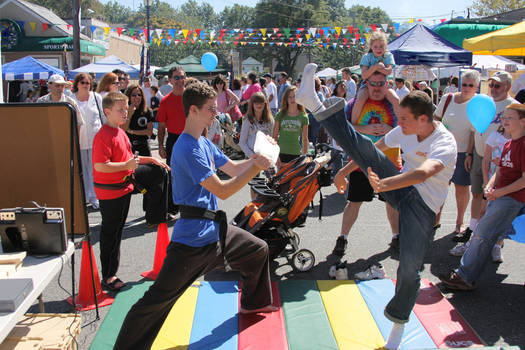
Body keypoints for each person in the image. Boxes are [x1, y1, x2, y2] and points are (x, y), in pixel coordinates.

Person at [296, 63, 457, 350]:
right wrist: (344, 172)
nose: (400, 122)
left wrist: (387, 185)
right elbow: (370, 148)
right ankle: (314, 103)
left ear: (423, 119)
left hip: (422, 209)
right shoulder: (406, 129)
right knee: (366, 146)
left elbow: (423, 173)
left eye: (405, 118)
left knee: (409, 270)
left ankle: (396, 331)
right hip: (402, 188)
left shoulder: (444, 142)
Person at [113, 82, 277, 349]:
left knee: (257, 249)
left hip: (215, 230)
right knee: (155, 302)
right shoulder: (186, 147)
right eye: (211, 109)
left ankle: (253, 302)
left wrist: (259, 157)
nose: (216, 113)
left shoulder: (203, 142)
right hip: (192, 242)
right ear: (193, 110)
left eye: (215, 107)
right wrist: (255, 168)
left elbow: (235, 168)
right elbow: (223, 190)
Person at [439, 103, 525, 291]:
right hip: (501, 195)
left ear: (523, 121)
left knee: (482, 235)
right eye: (504, 117)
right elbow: (501, 170)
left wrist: (499, 192)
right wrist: (490, 185)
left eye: (510, 117)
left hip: (512, 198)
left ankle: (464, 277)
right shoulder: (509, 142)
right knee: (484, 234)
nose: (505, 121)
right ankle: (465, 275)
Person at [92, 92, 171, 292]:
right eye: (121, 110)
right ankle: (108, 276)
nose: (125, 112)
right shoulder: (103, 135)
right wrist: (126, 165)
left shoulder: (120, 132)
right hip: (110, 192)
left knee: (158, 171)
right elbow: (101, 166)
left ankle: (155, 215)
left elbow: (130, 160)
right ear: (107, 111)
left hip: (124, 185)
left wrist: (151, 160)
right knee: (112, 233)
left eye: (126, 109)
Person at [330, 71, 402, 257]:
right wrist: (365, 129)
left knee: (392, 204)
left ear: (387, 84)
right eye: (373, 83)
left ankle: (396, 237)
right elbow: (344, 128)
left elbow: (408, 127)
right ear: (366, 84)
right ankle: (342, 238)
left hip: (389, 160)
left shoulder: (393, 104)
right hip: (360, 162)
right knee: (354, 202)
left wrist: (390, 129)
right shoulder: (355, 104)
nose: (377, 88)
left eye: (381, 83)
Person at [451, 71, 518, 250]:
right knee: (477, 194)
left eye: (498, 85)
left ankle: (497, 243)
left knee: (496, 202)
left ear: (507, 87)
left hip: (502, 162)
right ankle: (472, 230)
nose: (494, 89)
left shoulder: (514, 107)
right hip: (480, 156)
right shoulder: (483, 102)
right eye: (492, 85)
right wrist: (470, 154)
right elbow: (475, 130)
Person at [433, 69, 479, 237]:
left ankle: (459, 222)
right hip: (443, 151)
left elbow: (474, 132)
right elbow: (436, 120)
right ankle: (436, 218)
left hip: (462, 153)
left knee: (461, 189)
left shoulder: (476, 104)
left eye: (470, 85)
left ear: (476, 87)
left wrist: (469, 154)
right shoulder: (448, 99)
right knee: (440, 186)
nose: (466, 88)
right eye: (464, 84)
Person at [72, 72, 105, 210]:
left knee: (94, 170)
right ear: (77, 84)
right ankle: (85, 197)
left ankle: (95, 197)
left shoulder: (96, 97)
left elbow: (103, 116)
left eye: (88, 83)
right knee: (82, 170)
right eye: (83, 83)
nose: (86, 85)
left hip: (95, 140)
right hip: (79, 141)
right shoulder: (71, 99)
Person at [351, 31, 398, 124]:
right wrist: (376, 67)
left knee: (396, 99)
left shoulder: (388, 56)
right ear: (371, 46)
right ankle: (353, 125)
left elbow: (388, 71)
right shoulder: (367, 57)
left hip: (384, 85)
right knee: (360, 99)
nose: (378, 49)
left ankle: (399, 124)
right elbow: (364, 75)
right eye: (375, 46)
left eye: (381, 46)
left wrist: (374, 70)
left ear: (385, 46)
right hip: (368, 85)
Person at [273, 85, 309, 165]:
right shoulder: (280, 115)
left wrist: (304, 156)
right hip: (281, 153)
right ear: (286, 99)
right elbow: (274, 137)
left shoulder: (303, 116)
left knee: (294, 177)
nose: (292, 99)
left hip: (295, 153)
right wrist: (276, 155)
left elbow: (305, 139)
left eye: (294, 97)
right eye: (290, 97)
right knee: (281, 177)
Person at [239, 92, 275, 158]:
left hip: (265, 157)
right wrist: (253, 155)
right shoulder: (248, 121)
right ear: (252, 104)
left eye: (261, 102)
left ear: (265, 104)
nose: (259, 105)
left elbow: (271, 139)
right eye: (256, 102)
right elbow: (242, 142)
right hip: (251, 158)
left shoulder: (270, 120)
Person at [123, 84, 154, 156]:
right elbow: (124, 129)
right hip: (129, 146)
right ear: (128, 97)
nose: (137, 97)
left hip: (144, 147)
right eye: (134, 95)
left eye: (139, 95)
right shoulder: (124, 111)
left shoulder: (147, 111)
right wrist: (129, 114)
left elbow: (149, 132)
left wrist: (132, 131)